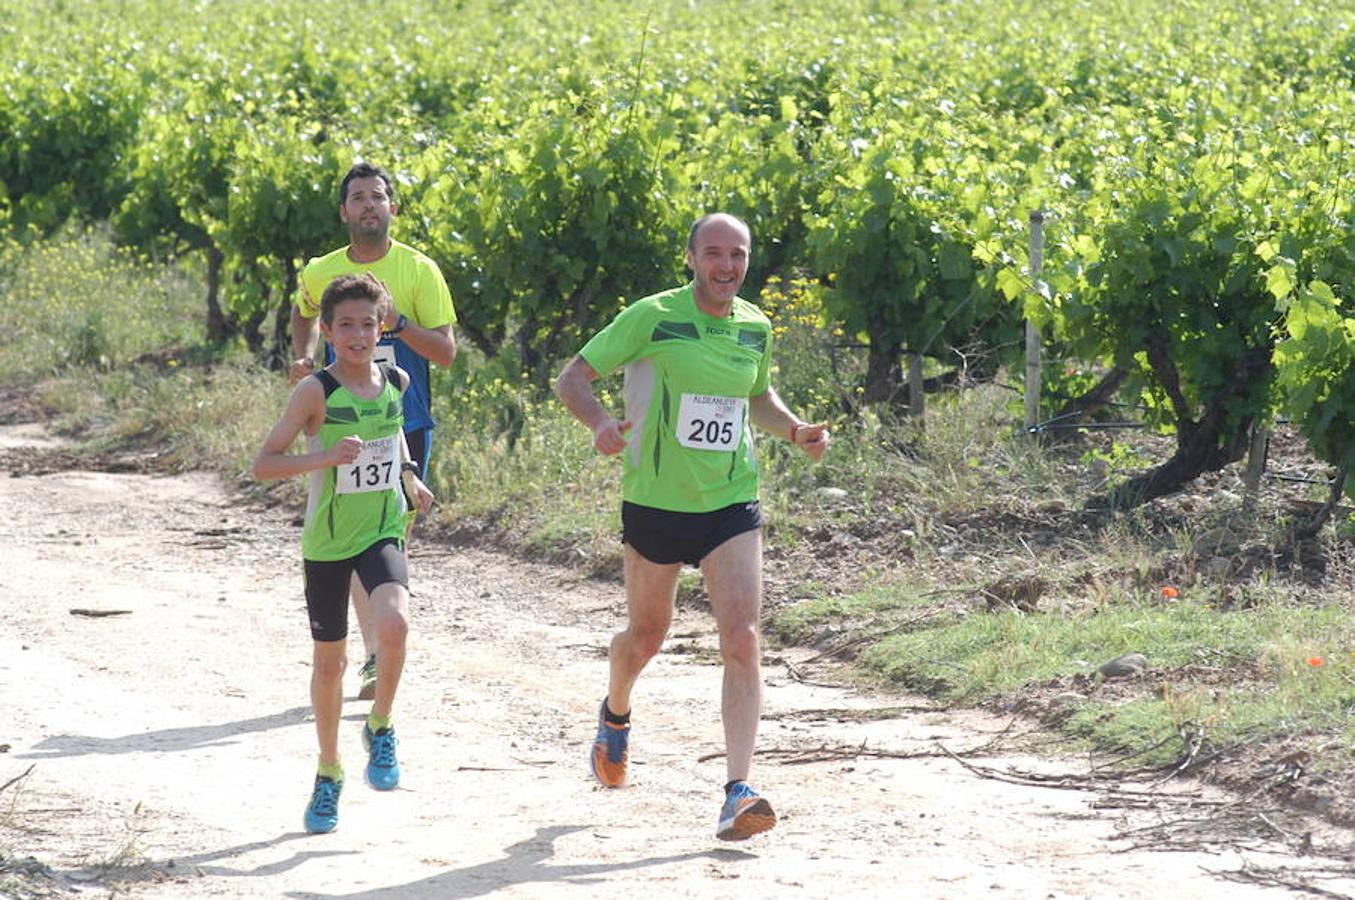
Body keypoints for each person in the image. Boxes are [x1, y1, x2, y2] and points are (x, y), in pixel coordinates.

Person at [553, 213, 830, 841]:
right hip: (656, 502)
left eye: (738, 255)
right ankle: (616, 711)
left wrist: (794, 430)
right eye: (714, 254)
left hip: (731, 502)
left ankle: (738, 790)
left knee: (744, 637)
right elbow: (573, 377)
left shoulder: (755, 326)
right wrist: (599, 424)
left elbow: (755, 398)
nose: (727, 267)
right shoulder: (652, 316)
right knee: (647, 636)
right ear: (691, 258)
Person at [256, 273, 434, 834]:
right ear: (328, 332)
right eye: (346, 325)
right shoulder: (316, 392)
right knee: (329, 664)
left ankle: (380, 726)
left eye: (368, 323)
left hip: (382, 527)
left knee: (395, 626)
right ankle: (329, 771)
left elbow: (393, 435)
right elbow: (265, 464)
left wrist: (408, 476)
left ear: (382, 327)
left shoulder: (395, 377)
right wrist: (326, 457)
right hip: (328, 543)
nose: (358, 334)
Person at [290, 162, 456, 701]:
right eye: (357, 198)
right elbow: (303, 311)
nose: (368, 206)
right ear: (344, 212)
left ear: (392, 209)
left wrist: (399, 322)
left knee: (388, 535)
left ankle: (379, 639)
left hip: (403, 422)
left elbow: (447, 353)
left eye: (377, 197)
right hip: (339, 423)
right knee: (358, 533)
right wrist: (303, 354)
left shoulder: (419, 270)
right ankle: (371, 654)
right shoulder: (323, 270)